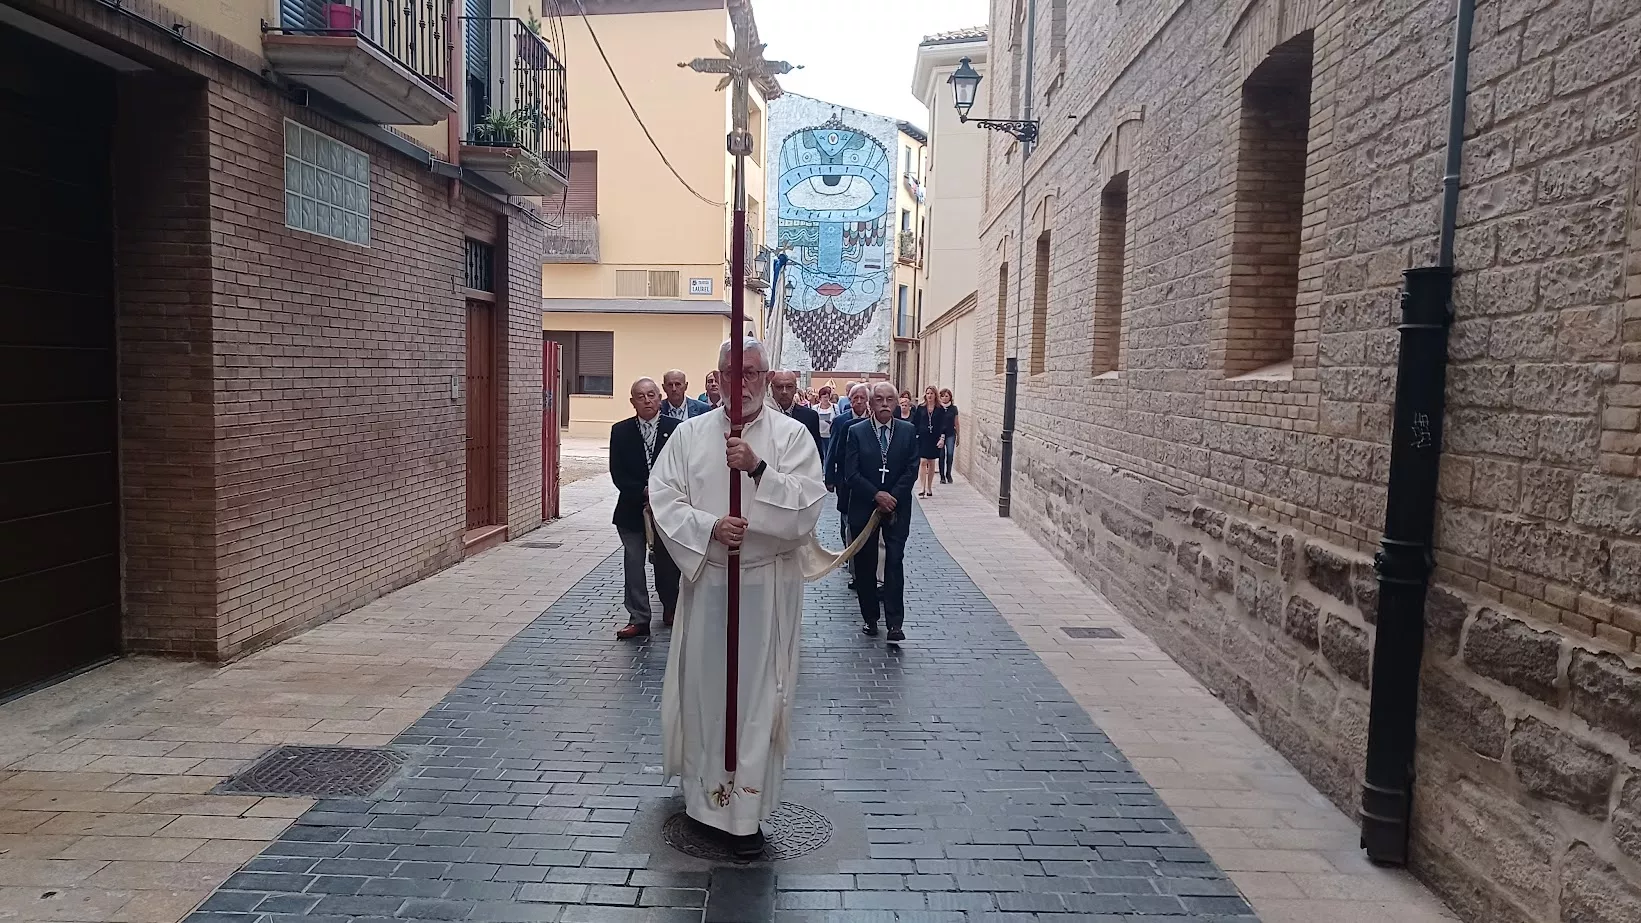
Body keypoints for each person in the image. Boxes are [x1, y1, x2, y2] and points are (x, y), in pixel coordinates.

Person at [648, 337, 828, 860]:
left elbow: (807, 508)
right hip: (709, 585)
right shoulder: (688, 435)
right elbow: (663, 497)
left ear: (767, 378)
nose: (740, 383)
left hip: (766, 590)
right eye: (731, 372)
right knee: (705, 692)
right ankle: (704, 804)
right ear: (718, 375)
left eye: (751, 373)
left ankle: (745, 814)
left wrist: (757, 469)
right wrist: (709, 528)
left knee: (756, 698)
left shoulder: (792, 436)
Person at [843, 383, 918, 643]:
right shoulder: (856, 432)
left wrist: (892, 497)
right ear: (871, 403)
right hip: (865, 505)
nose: (884, 404)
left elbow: (912, 468)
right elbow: (851, 472)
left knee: (894, 561)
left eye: (889, 399)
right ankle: (870, 618)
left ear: (896, 403)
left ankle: (895, 623)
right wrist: (876, 495)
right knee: (866, 563)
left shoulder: (907, 431)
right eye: (879, 399)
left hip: (897, 507)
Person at [609, 378, 682, 640]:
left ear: (660, 398)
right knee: (633, 563)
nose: (647, 400)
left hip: (667, 508)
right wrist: (642, 491)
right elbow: (617, 472)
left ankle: (671, 606)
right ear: (633, 402)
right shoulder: (621, 431)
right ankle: (638, 617)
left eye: (651, 395)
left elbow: (682, 468)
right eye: (641, 396)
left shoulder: (676, 429)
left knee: (667, 562)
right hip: (631, 509)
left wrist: (661, 493)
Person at [824, 383, 873, 590]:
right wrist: (830, 477)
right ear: (849, 400)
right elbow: (833, 450)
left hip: (869, 483)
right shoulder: (841, 421)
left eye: (863, 398)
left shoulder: (873, 420)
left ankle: (863, 565)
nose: (859, 402)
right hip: (846, 481)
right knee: (847, 522)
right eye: (855, 398)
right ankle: (851, 559)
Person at [769, 370, 824, 457]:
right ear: (772, 388)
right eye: (779, 387)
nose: (784, 391)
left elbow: (816, 452)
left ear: (795, 389)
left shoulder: (810, 416)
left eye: (789, 387)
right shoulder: (763, 416)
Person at [909, 386, 950, 499]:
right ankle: (922, 487)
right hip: (923, 437)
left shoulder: (940, 409)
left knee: (931, 462)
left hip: (934, 438)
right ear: (925, 395)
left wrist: (942, 438)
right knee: (923, 461)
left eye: (932, 393)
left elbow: (943, 424)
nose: (930, 395)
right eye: (928, 393)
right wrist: (914, 435)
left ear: (935, 395)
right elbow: (916, 422)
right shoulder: (921, 408)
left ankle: (929, 487)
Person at [938, 388, 959, 484]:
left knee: (950, 454)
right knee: (941, 455)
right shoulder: (938, 408)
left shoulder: (953, 409)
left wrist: (958, 435)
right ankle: (942, 476)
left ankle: (948, 473)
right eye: (942, 396)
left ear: (950, 397)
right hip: (940, 435)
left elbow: (956, 422)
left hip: (950, 434)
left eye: (946, 396)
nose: (944, 398)